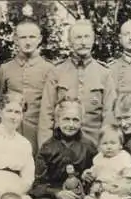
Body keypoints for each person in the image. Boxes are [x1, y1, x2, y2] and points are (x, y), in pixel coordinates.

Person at [38, 19, 117, 148]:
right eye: (78, 37)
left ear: (93, 40)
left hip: (94, 145)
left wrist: (105, 147)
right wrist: (46, 148)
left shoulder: (104, 73)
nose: (83, 42)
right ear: (70, 41)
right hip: (62, 147)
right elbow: (46, 115)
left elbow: (109, 115)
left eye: (87, 37)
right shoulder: (57, 72)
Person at [0, 19, 54, 155]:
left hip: (37, 134)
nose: (28, 42)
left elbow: (51, 106)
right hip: (9, 133)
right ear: (16, 39)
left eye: (32, 37)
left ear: (39, 39)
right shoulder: (6, 68)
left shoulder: (49, 69)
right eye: (23, 37)